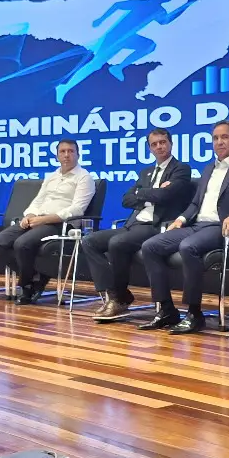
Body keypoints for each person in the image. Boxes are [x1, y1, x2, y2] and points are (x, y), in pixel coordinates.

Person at [140, 120, 229, 335]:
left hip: (223, 227)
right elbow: (195, 204)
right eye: (215, 138)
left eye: (225, 137)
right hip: (197, 225)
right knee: (150, 246)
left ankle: (194, 314)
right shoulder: (208, 168)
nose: (219, 142)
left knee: (188, 247)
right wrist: (180, 220)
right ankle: (166, 310)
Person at [85, 129, 192, 322]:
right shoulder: (146, 172)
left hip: (156, 226)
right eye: (154, 144)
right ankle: (116, 294)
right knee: (89, 241)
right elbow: (126, 200)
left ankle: (118, 300)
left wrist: (141, 193)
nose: (159, 147)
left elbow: (166, 196)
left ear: (171, 143)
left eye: (163, 142)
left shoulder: (181, 169)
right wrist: (153, 192)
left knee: (118, 243)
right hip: (133, 224)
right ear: (149, 148)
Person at [0, 138, 95, 304]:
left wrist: (44, 219)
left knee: (22, 244)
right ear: (57, 156)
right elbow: (38, 201)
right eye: (62, 151)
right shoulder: (52, 176)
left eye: (71, 151)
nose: (66, 155)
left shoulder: (84, 178)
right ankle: (37, 276)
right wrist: (29, 215)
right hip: (37, 219)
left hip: (61, 224)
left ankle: (26, 287)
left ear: (78, 155)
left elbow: (77, 209)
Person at [56, 0, 198, 103]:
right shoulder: (142, 3)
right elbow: (118, 5)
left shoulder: (159, 10)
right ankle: (64, 87)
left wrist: (187, 4)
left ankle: (119, 67)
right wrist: (101, 19)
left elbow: (165, 20)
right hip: (115, 37)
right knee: (95, 64)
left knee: (149, 45)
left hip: (129, 38)